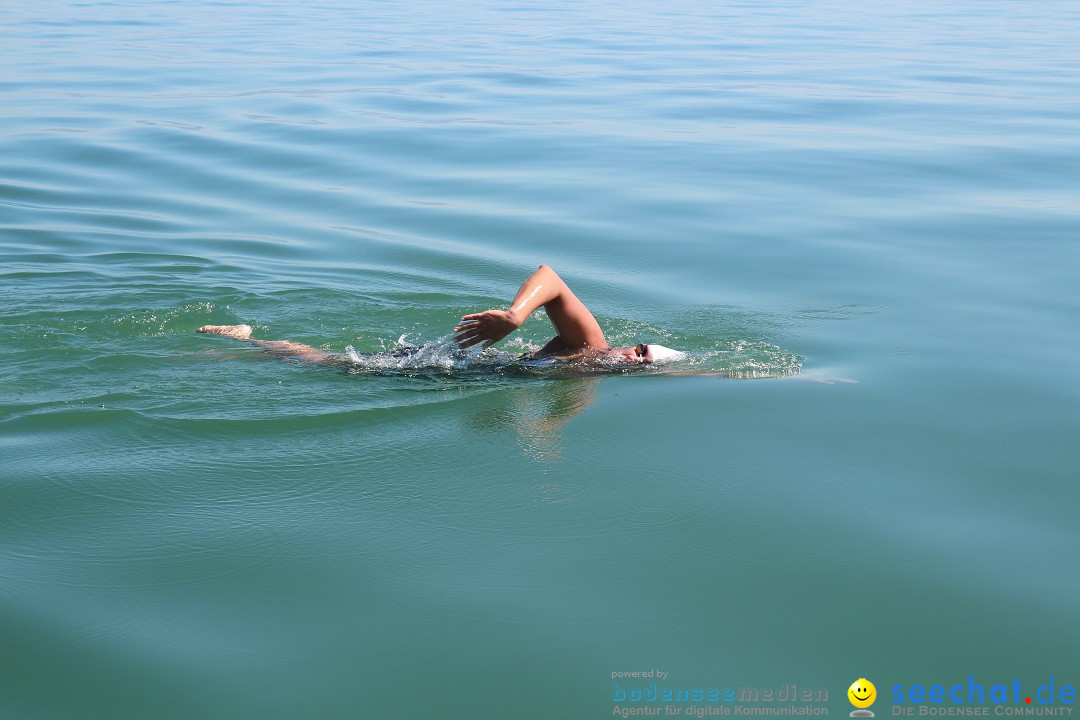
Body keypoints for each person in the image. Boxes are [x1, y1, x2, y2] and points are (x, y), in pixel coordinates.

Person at [197, 264, 685, 364]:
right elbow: (551, 278)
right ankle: (243, 341)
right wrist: (516, 316)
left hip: (460, 371)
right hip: (448, 367)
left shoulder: (586, 375)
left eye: (643, 359)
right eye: (641, 348)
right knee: (332, 363)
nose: (635, 354)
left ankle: (245, 344)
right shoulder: (591, 347)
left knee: (336, 363)